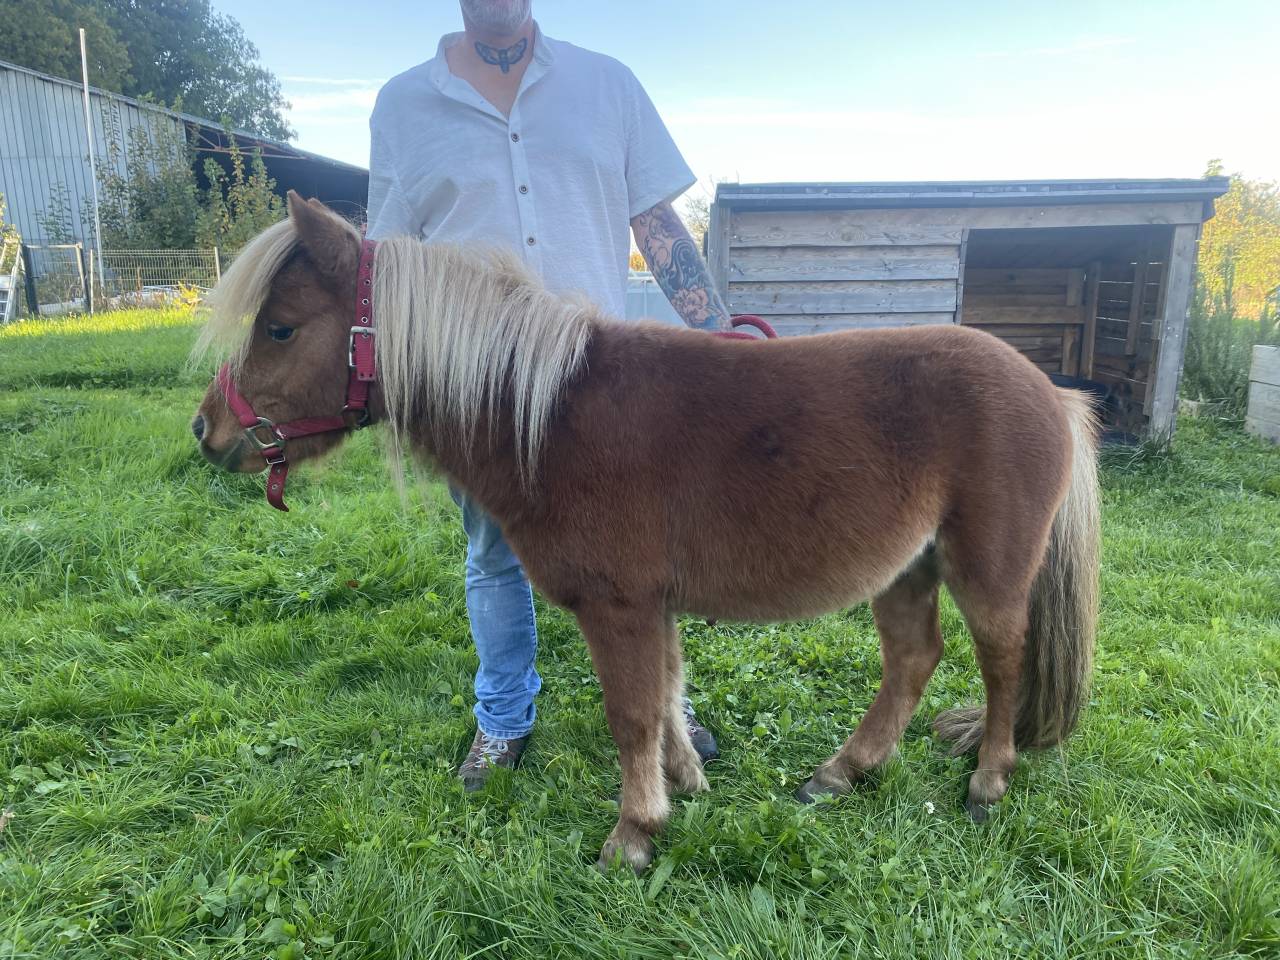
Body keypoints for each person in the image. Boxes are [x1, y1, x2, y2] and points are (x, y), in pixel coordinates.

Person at [366, 0, 729, 790]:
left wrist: (720, 332)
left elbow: (656, 222)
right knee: (493, 552)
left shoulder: (608, 86)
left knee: (644, 549)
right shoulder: (403, 105)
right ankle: (502, 716)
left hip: (604, 382)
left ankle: (670, 709)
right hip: (479, 391)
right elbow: (389, 258)